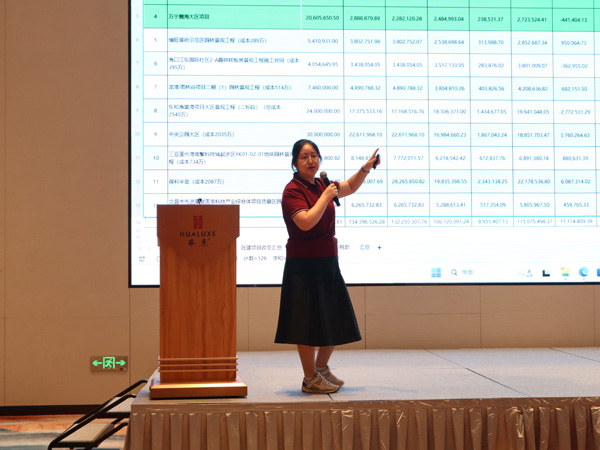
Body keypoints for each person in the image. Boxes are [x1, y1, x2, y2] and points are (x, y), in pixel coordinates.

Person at [275, 139, 380, 393]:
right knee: (306, 324)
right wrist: (325, 196)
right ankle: (309, 378)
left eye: (314, 155)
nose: (310, 161)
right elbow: (305, 222)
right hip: (303, 266)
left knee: (335, 317)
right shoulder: (292, 191)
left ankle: (321, 368)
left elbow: (349, 187)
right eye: (304, 157)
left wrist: (365, 169)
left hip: (327, 261)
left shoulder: (322, 184)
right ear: (294, 163)